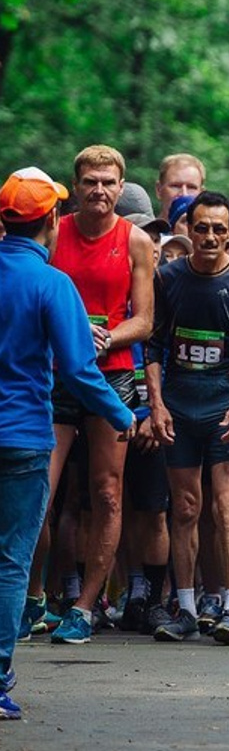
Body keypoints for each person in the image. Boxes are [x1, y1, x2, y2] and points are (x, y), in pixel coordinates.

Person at [0, 168, 136, 721]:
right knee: (11, 560)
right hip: (23, 437)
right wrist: (120, 411)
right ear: (53, 220)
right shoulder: (52, 283)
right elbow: (79, 371)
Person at [39, 146, 153, 646]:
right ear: (76, 184)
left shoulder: (136, 241)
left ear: (121, 185)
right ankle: (32, 598)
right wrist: (66, 333)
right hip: (57, 373)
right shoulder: (54, 232)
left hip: (112, 373)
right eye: (90, 182)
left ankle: (87, 605)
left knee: (107, 491)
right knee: (41, 490)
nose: (100, 191)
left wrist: (108, 336)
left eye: (109, 182)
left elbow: (145, 319)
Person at [147, 192, 229, 645]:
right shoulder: (168, 277)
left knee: (226, 505)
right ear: (188, 230)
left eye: (220, 228)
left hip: (224, 405)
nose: (211, 237)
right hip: (178, 404)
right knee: (184, 507)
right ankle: (186, 608)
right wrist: (156, 404)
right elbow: (154, 346)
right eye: (202, 228)